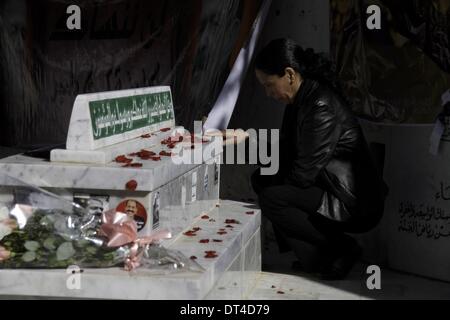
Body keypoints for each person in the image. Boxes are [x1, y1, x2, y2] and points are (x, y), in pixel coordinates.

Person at [252, 38, 388, 280]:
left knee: (272, 197)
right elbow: (284, 153)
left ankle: (343, 248)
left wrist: (273, 177)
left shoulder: (320, 105)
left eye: (269, 85)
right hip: (326, 185)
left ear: (289, 75)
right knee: (262, 178)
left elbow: (302, 174)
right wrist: (244, 142)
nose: (268, 93)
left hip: (352, 200)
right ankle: (316, 258)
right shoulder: (298, 102)